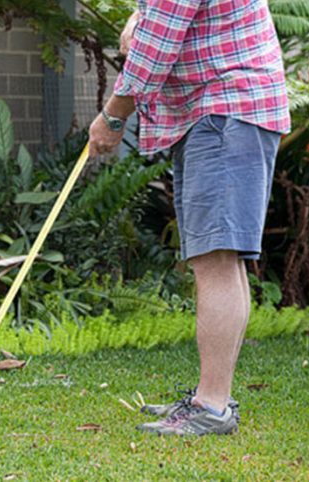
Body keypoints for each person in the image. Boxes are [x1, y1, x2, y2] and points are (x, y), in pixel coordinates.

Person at [87, 0, 291, 435]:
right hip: (221, 112)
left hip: (224, 111)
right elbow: (159, 19)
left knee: (215, 261)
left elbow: (157, 46)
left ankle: (212, 407)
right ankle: (210, 397)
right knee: (222, 261)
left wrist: (112, 117)